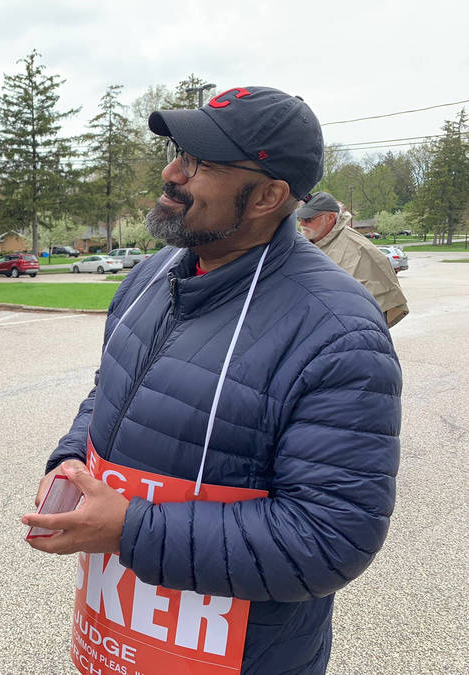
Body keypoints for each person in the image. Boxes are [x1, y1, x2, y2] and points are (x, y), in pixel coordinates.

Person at [23, 87, 400, 674]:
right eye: (178, 153)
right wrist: (73, 457)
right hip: (117, 645)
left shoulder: (337, 331)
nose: (172, 173)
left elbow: (330, 537)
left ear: (270, 196)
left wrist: (131, 528)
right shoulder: (153, 274)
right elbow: (111, 386)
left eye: (200, 163)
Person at [297, 191, 409, 327]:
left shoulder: (360, 249)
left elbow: (381, 307)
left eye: (308, 219)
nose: (302, 223)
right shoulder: (305, 244)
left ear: (330, 217)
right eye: (300, 218)